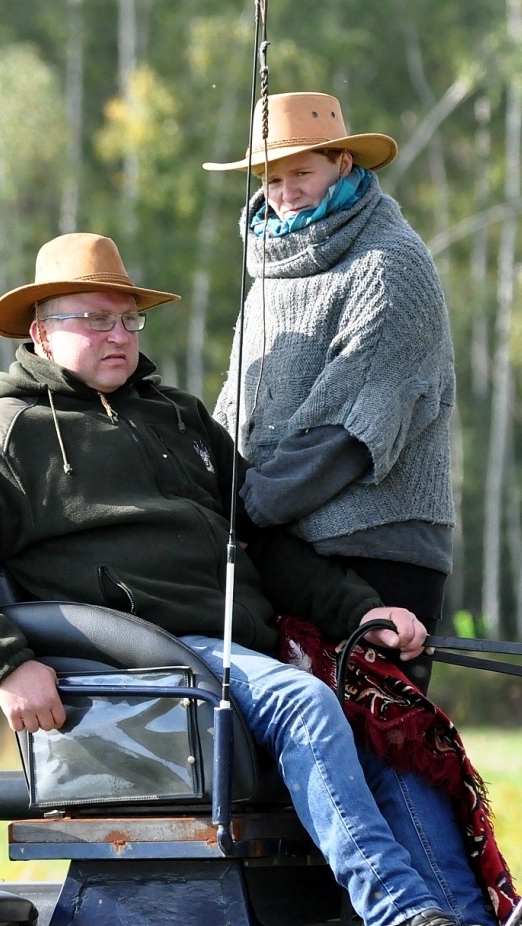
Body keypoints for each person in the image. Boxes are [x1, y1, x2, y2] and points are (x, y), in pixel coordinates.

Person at [0, 232, 498, 926]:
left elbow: (265, 545)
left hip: (233, 655)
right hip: (142, 669)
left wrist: (361, 614)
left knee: (390, 714)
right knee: (307, 705)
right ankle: (399, 922)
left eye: (128, 320)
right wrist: (7, 664)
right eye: (93, 319)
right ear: (41, 331)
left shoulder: (179, 421)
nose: (117, 336)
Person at [206, 92, 456, 692]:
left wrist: (244, 513)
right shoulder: (267, 273)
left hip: (374, 555)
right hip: (279, 554)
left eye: (301, 173)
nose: (285, 192)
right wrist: (207, 498)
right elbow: (236, 411)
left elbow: (348, 430)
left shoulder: (389, 264)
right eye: (270, 178)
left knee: (389, 752)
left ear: (343, 165)